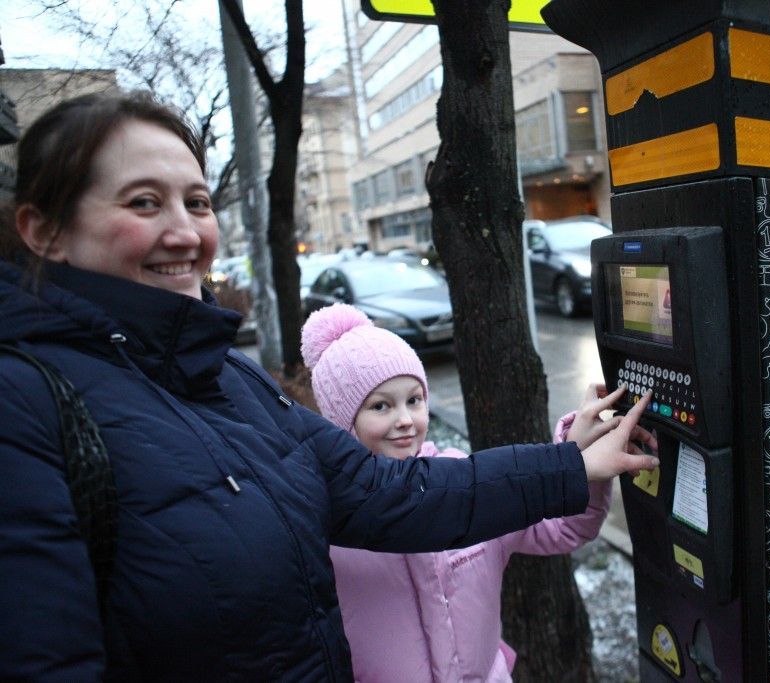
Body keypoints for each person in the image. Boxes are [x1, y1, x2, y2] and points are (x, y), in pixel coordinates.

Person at [0, 92, 658, 680]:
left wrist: (572, 462)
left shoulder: (228, 378)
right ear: (44, 231)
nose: (185, 231)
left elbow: (394, 493)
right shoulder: (23, 403)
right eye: (144, 201)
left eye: (196, 202)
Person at [301, 304, 643, 682]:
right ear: (342, 423)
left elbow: (565, 529)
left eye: (414, 400)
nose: (405, 420)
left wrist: (580, 462)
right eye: (381, 406)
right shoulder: (327, 522)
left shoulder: (467, 485)